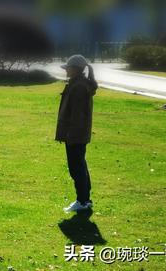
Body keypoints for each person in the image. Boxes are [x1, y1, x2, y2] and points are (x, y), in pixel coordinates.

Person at [56, 54, 98, 212]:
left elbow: (78, 114)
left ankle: (82, 200)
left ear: (75, 69)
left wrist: (70, 134)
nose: (66, 71)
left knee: (77, 167)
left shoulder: (79, 87)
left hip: (75, 134)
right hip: (76, 134)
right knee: (79, 166)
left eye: (68, 68)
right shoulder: (77, 84)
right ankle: (85, 199)